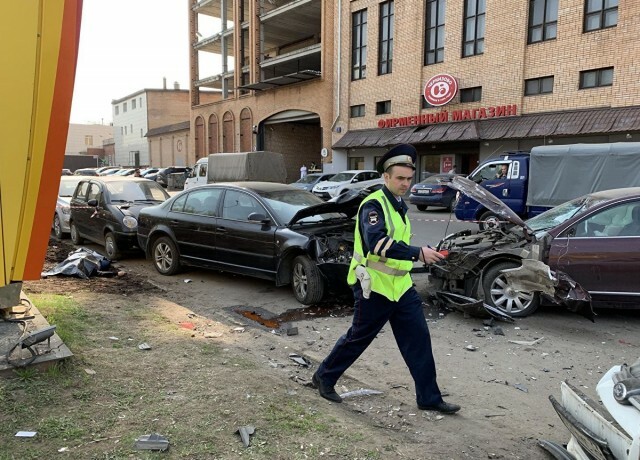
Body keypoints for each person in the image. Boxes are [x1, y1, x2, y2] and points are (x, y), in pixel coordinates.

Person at [312, 144, 461, 415]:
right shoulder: (374, 205)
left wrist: (423, 254)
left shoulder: (399, 204)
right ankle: (324, 377)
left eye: (408, 178)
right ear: (386, 177)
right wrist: (419, 253)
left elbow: (398, 243)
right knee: (358, 338)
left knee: (418, 341)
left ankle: (428, 397)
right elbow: (376, 243)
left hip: (401, 286)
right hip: (374, 286)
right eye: (400, 178)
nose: (405, 183)